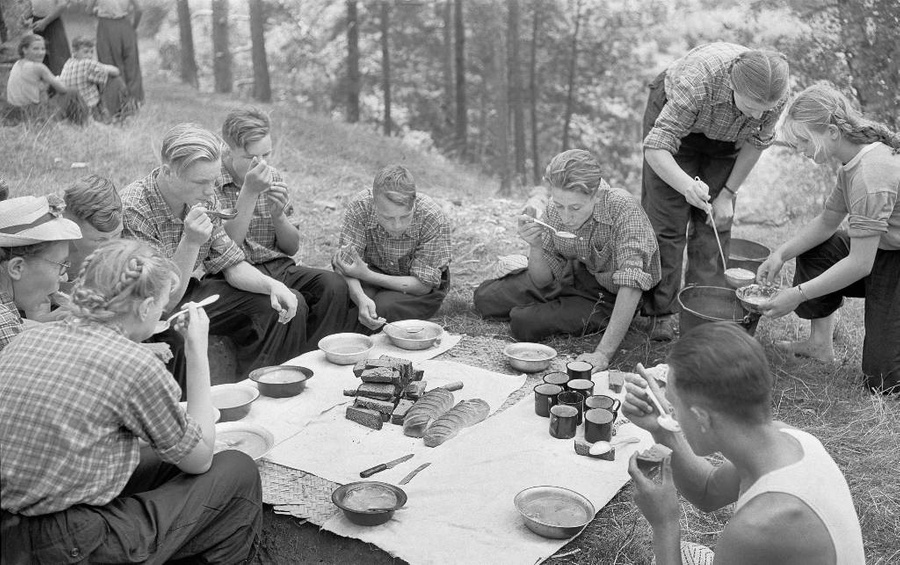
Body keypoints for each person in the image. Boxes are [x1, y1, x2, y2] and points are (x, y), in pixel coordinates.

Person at [0, 239, 262, 563]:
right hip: (68, 543)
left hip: (9, 525)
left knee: (160, 457)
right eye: (161, 307)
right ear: (144, 307)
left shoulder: (27, 339)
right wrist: (196, 352)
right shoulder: (134, 363)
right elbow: (200, 458)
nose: (160, 314)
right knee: (235, 469)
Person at [624, 322, 865, 565]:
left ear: (702, 418)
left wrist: (665, 522)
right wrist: (659, 426)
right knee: (686, 553)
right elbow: (707, 490)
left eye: (674, 408)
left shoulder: (758, 525)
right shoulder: (784, 438)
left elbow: (713, 508)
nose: (673, 416)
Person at [122, 123, 304, 391]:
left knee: (277, 304)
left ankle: (258, 390)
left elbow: (230, 262)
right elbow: (164, 300)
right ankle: (188, 418)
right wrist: (191, 241)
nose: (211, 191)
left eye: (214, 179)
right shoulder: (135, 208)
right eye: (201, 182)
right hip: (147, 306)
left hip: (188, 292)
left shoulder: (203, 197)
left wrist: (273, 285)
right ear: (168, 172)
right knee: (181, 338)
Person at [641, 43, 790, 341]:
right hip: (676, 134)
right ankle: (662, 312)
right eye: (750, 107)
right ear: (734, 83)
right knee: (667, 224)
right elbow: (655, 148)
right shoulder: (698, 82)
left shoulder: (775, 95)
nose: (758, 114)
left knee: (714, 220)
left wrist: (728, 194)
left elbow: (757, 142)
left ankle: (703, 306)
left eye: (764, 110)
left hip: (726, 138)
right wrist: (686, 186)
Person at [757, 83, 900, 394]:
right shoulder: (851, 164)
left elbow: (860, 264)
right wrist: (780, 253)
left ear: (833, 132)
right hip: (881, 248)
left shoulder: (870, 175)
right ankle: (819, 345)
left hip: (892, 258)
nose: (800, 149)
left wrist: (796, 294)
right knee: (819, 248)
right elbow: (826, 222)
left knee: (884, 382)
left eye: (804, 140)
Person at [474, 149, 661, 372]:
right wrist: (535, 246)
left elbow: (631, 285)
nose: (565, 217)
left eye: (575, 208)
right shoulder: (555, 209)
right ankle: (556, 306)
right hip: (574, 274)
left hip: (611, 293)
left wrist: (602, 353)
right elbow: (542, 281)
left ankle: (588, 316)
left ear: (597, 195)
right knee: (485, 298)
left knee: (524, 323)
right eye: (559, 205)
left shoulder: (623, 209)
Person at [219, 107, 360, 345]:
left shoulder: (272, 176)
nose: (261, 164)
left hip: (278, 265)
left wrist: (278, 216)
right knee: (292, 300)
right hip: (235, 273)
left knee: (334, 286)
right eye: (251, 157)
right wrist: (250, 192)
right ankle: (286, 363)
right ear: (228, 149)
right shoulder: (212, 182)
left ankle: (313, 355)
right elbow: (227, 248)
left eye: (267, 155)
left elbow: (291, 247)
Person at [332, 164, 451, 329]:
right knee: (346, 300)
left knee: (382, 308)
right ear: (374, 204)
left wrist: (366, 275)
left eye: (405, 216)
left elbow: (423, 286)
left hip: (416, 285)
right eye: (387, 217)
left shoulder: (431, 217)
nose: (396, 225)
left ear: (414, 203)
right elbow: (344, 265)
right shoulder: (361, 206)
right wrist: (360, 298)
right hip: (374, 269)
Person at [0, 195, 81, 352]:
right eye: (61, 265)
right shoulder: (4, 325)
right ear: (16, 268)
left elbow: (23, 326)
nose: (63, 277)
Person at [59, 36, 128, 123]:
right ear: (74, 52)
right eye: (85, 52)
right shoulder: (87, 63)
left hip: (73, 109)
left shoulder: (67, 63)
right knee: (116, 80)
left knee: (97, 80)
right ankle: (123, 115)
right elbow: (116, 71)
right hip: (90, 108)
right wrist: (102, 66)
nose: (89, 55)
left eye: (91, 52)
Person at [5, 34, 70, 119]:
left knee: (43, 89)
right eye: (35, 49)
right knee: (72, 92)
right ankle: (81, 121)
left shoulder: (17, 63)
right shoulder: (38, 67)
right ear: (24, 50)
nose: (40, 53)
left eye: (43, 49)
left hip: (13, 111)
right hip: (32, 112)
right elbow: (63, 89)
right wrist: (59, 80)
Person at [93, 0, 144, 107]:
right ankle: (133, 102)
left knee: (109, 63)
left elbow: (88, 10)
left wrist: (97, 10)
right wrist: (133, 27)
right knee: (131, 64)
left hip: (105, 26)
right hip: (125, 25)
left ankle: (116, 103)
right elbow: (139, 9)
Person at [30, 0, 71, 75]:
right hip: (38, 22)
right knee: (39, 56)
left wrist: (45, 22)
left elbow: (62, 5)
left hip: (52, 21)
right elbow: (34, 6)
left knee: (58, 57)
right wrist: (26, 16)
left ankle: (60, 83)